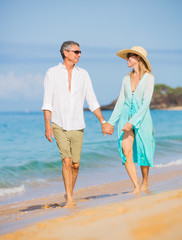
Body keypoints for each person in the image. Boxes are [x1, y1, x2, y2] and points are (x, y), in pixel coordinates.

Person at [42, 41, 108, 207]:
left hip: (78, 124)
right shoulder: (52, 73)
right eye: (76, 52)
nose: (79, 54)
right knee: (67, 161)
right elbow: (47, 101)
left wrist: (103, 121)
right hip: (59, 123)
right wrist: (47, 125)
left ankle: (68, 192)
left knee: (76, 165)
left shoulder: (83, 74)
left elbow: (92, 100)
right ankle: (70, 199)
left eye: (80, 52)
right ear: (66, 53)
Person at [103, 46, 155, 194]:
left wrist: (133, 121)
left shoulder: (149, 78)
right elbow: (121, 102)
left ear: (138, 58)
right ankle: (136, 186)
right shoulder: (126, 79)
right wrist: (110, 123)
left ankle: (145, 182)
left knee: (145, 151)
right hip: (125, 118)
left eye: (130, 56)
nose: (127, 59)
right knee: (126, 152)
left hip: (142, 119)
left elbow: (145, 104)